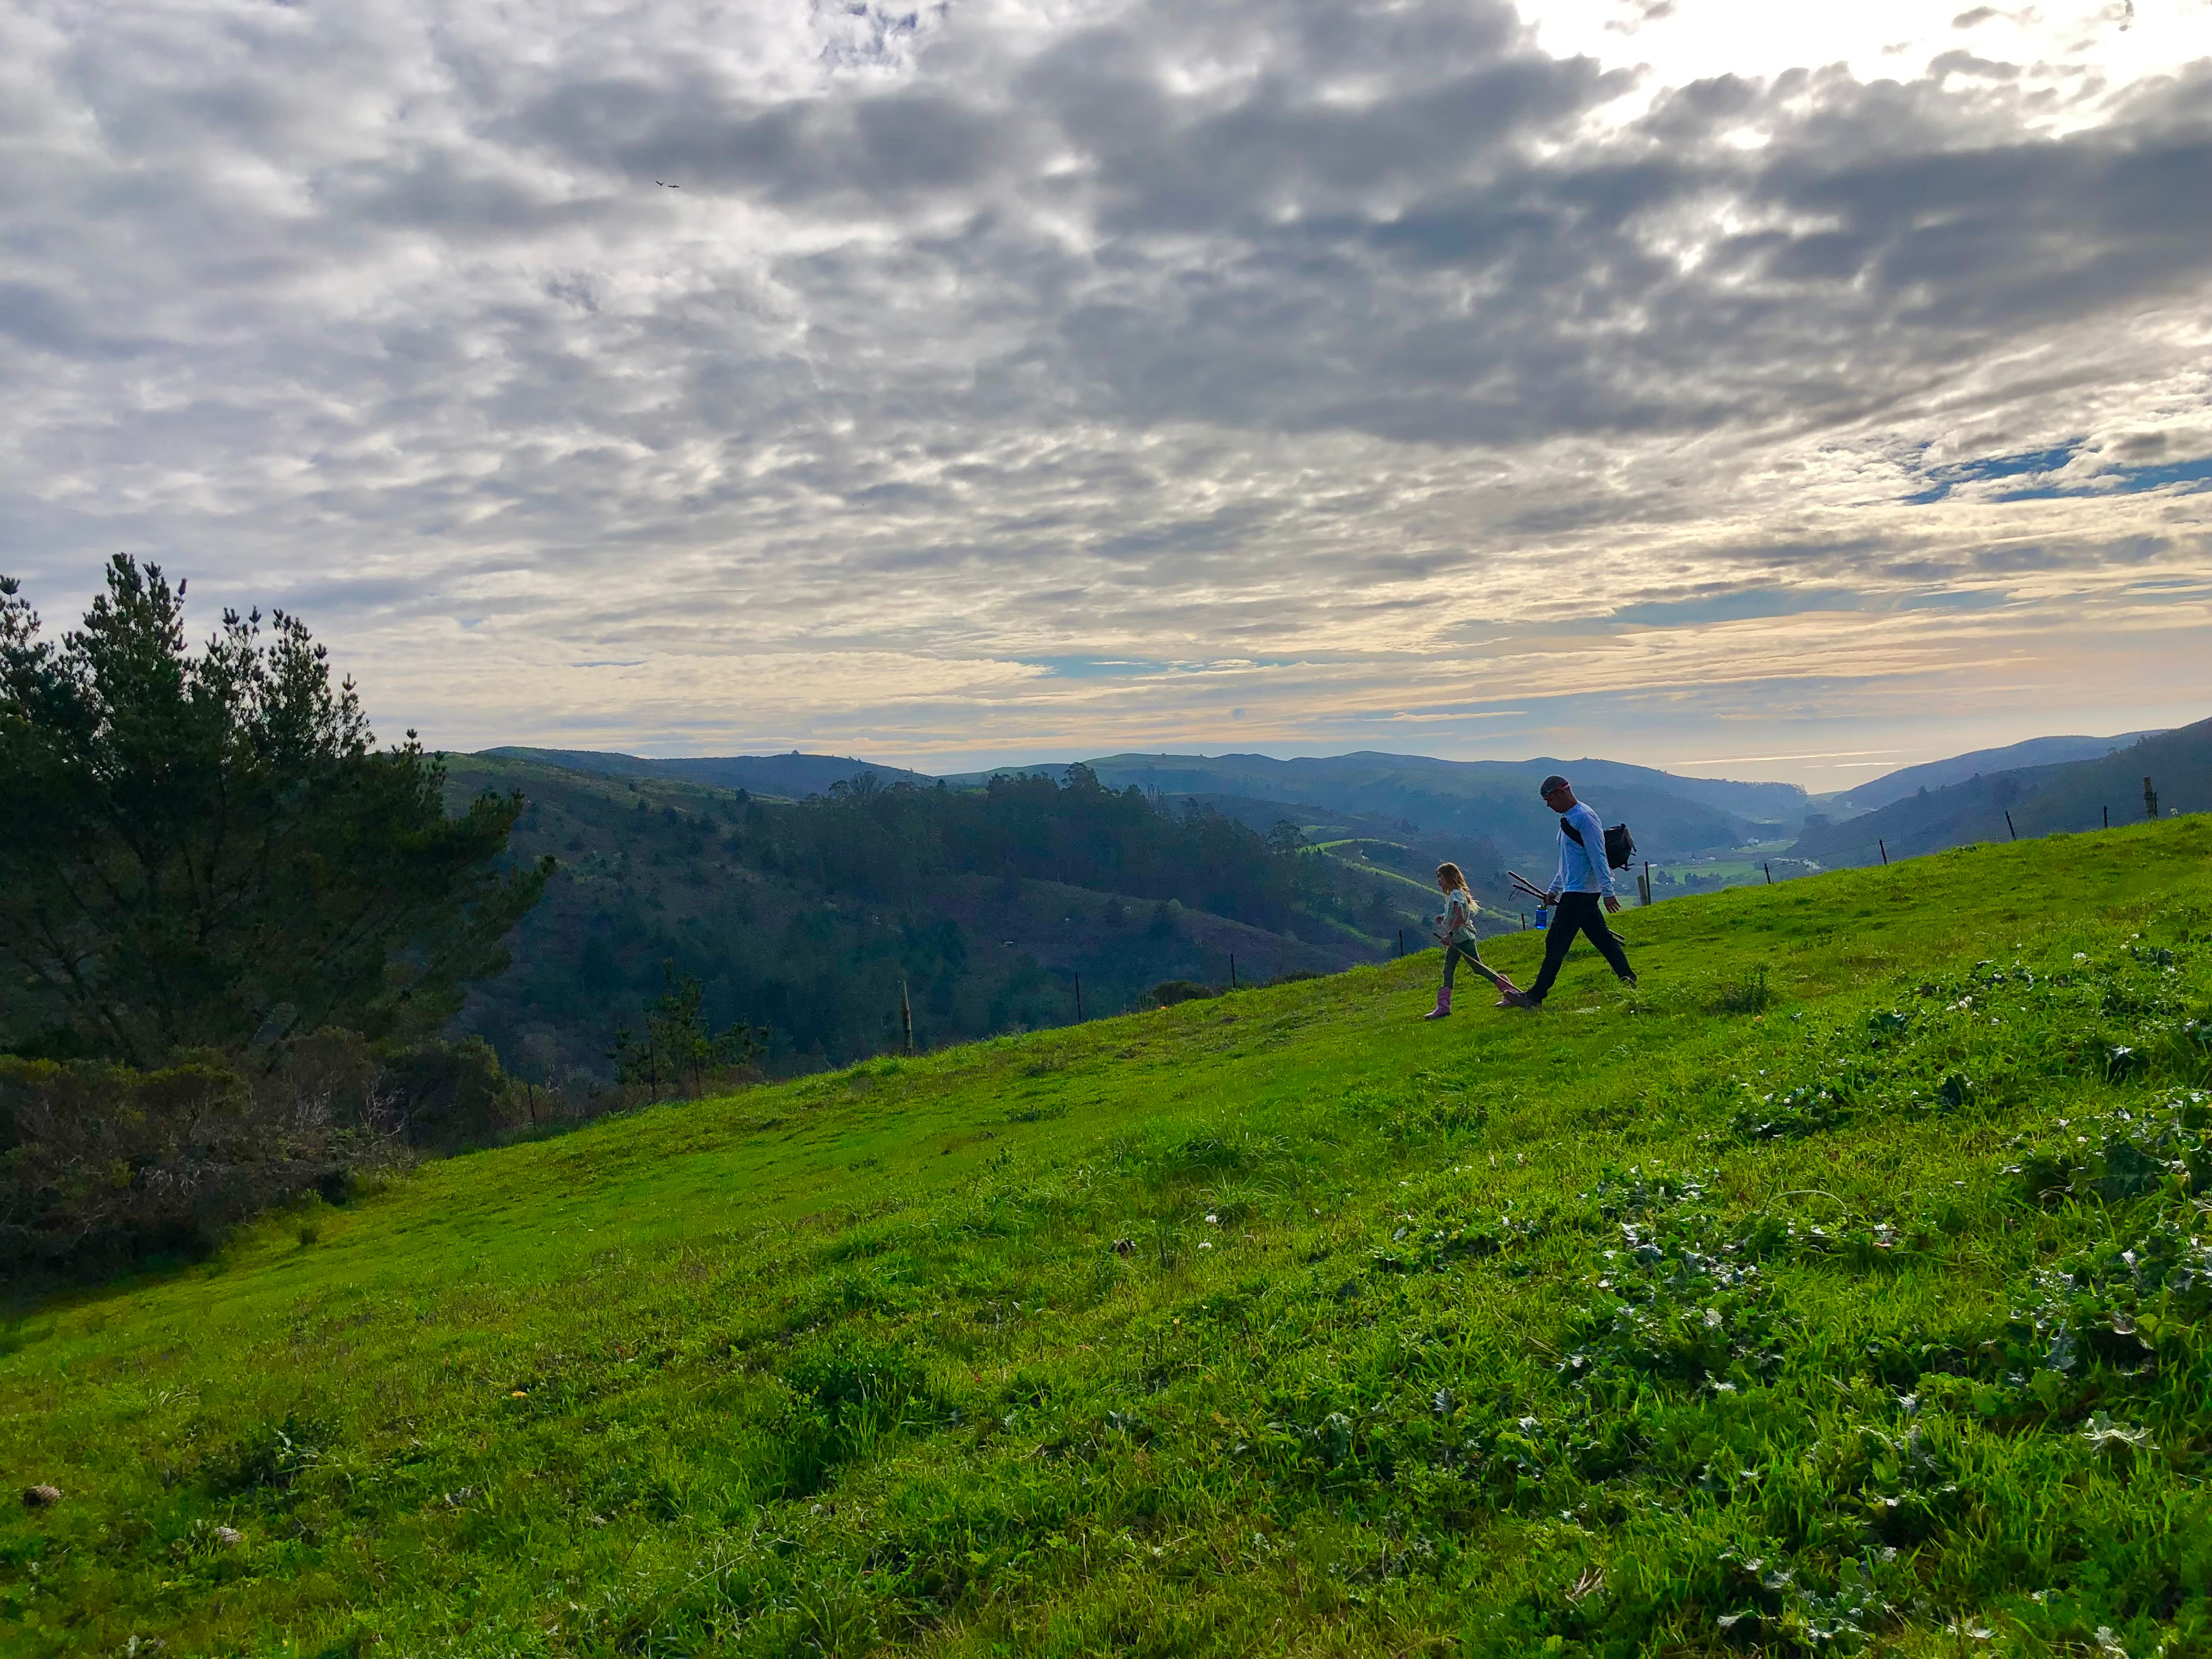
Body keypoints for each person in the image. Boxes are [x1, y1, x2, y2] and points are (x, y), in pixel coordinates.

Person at [1506, 775, 1637, 1009]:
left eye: (1550, 800)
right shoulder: (1569, 819)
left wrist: (1608, 891)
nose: (1549, 806)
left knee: (1556, 942)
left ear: (1562, 792)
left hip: (1581, 893)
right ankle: (1628, 978)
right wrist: (1554, 889)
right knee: (1602, 939)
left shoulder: (1585, 818)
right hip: (1577, 889)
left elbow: (1598, 855)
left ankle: (1535, 997)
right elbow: (1567, 862)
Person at [1421, 862, 1519, 1018]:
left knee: (1478, 968)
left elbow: (1460, 917)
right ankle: (1443, 1007)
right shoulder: (1456, 894)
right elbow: (1457, 914)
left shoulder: (1455, 895)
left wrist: (1449, 935)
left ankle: (1511, 991)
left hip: (1462, 940)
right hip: (1458, 940)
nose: (1438, 880)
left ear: (1449, 877)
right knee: (1448, 970)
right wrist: (1445, 918)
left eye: (1441, 877)